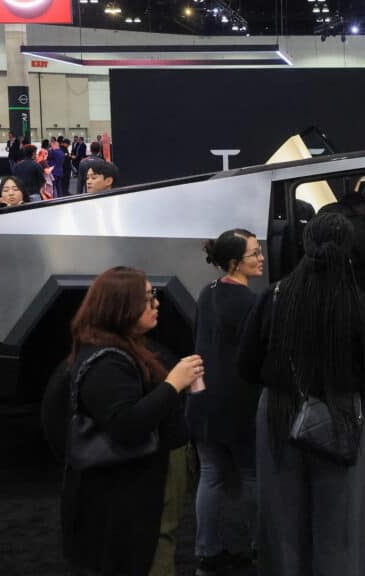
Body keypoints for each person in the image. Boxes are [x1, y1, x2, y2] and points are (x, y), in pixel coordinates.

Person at [238, 212, 365, 576]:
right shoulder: (362, 306)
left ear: (305, 244)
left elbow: (246, 365)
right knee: (340, 525)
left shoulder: (274, 297)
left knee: (281, 522)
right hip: (341, 414)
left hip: (279, 411)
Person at [61, 266, 202, 575]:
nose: (157, 303)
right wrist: (173, 385)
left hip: (146, 477)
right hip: (137, 485)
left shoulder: (125, 347)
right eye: (149, 297)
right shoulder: (106, 360)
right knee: (152, 550)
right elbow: (126, 426)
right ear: (120, 306)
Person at [187, 229, 265, 576]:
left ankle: (207, 550)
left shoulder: (207, 293)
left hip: (203, 400)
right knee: (251, 475)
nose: (260, 258)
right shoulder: (252, 303)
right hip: (240, 403)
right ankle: (260, 546)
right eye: (254, 254)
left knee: (211, 474)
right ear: (235, 263)